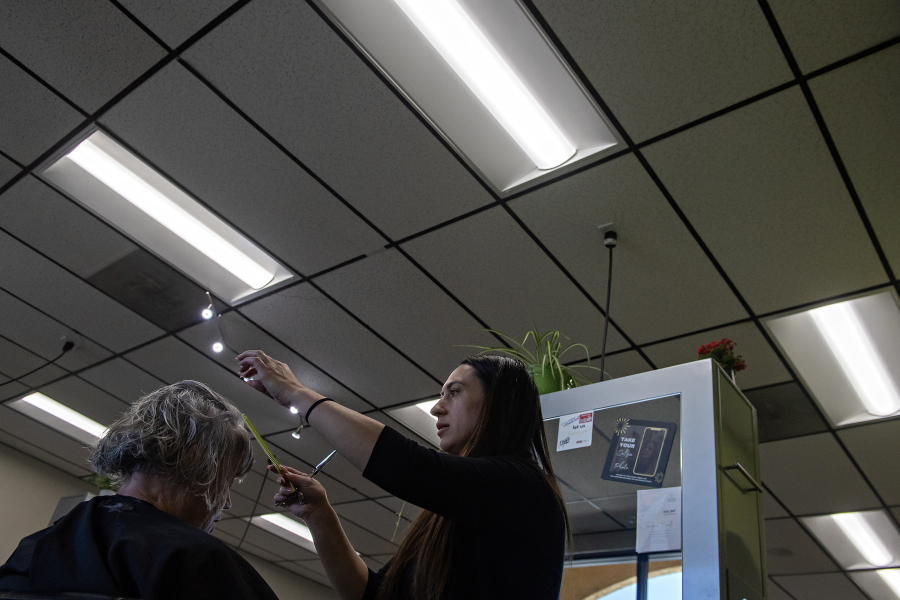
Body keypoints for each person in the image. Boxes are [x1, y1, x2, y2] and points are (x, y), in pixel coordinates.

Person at [236, 351, 569, 600]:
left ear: (498, 404)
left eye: (454, 392)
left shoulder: (525, 488)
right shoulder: (451, 516)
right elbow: (373, 594)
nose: (437, 407)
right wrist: (319, 514)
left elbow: (408, 467)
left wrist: (294, 391)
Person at [0, 380, 279, 600]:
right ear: (195, 460)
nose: (226, 502)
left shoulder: (40, 545)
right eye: (226, 482)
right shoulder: (198, 561)